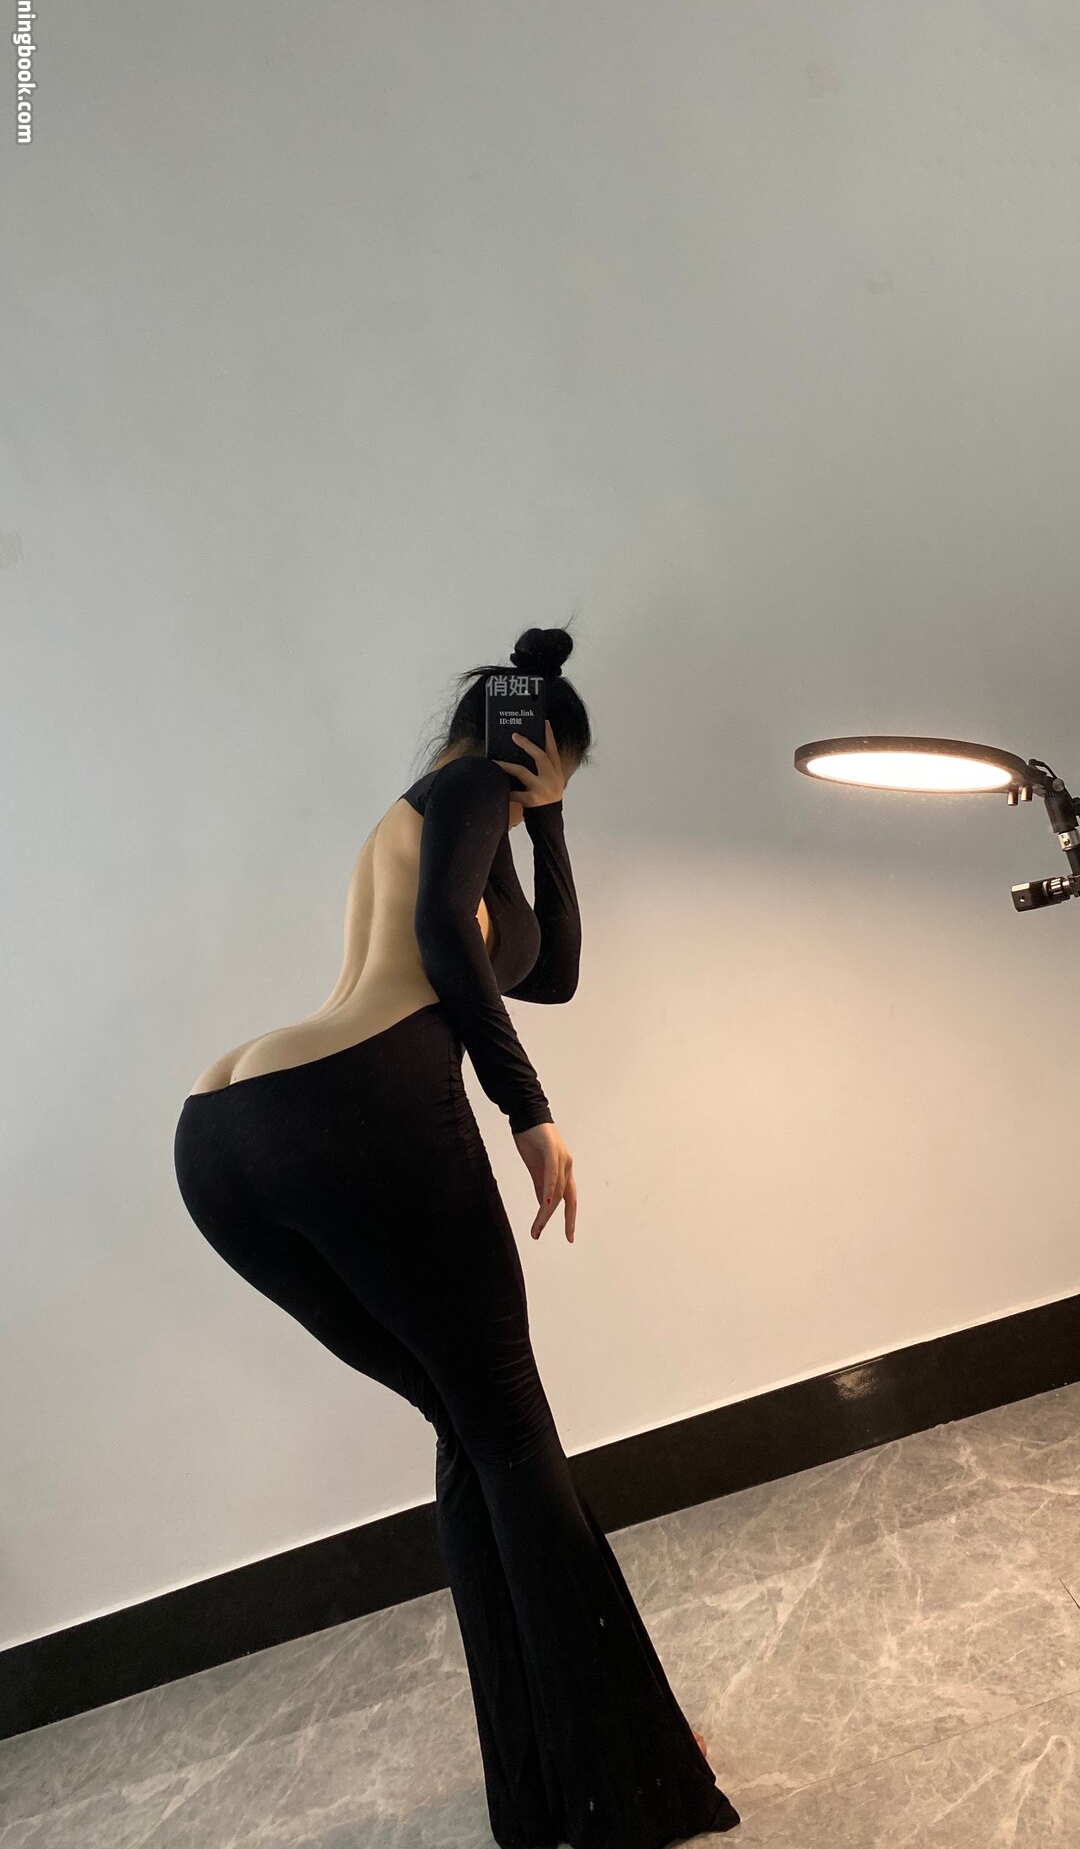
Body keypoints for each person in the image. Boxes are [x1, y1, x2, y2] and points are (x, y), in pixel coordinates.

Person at [173, 623, 741, 1848]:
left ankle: (542, 1793)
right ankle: (622, 1782)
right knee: (513, 1435)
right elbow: (447, 937)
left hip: (225, 1139)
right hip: (357, 1107)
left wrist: (550, 823)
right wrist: (529, 1110)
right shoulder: (473, 784)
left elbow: (553, 971)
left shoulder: (436, 813)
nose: (546, 796)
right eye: (556, 775)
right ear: (527, 742)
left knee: (473, 1431)